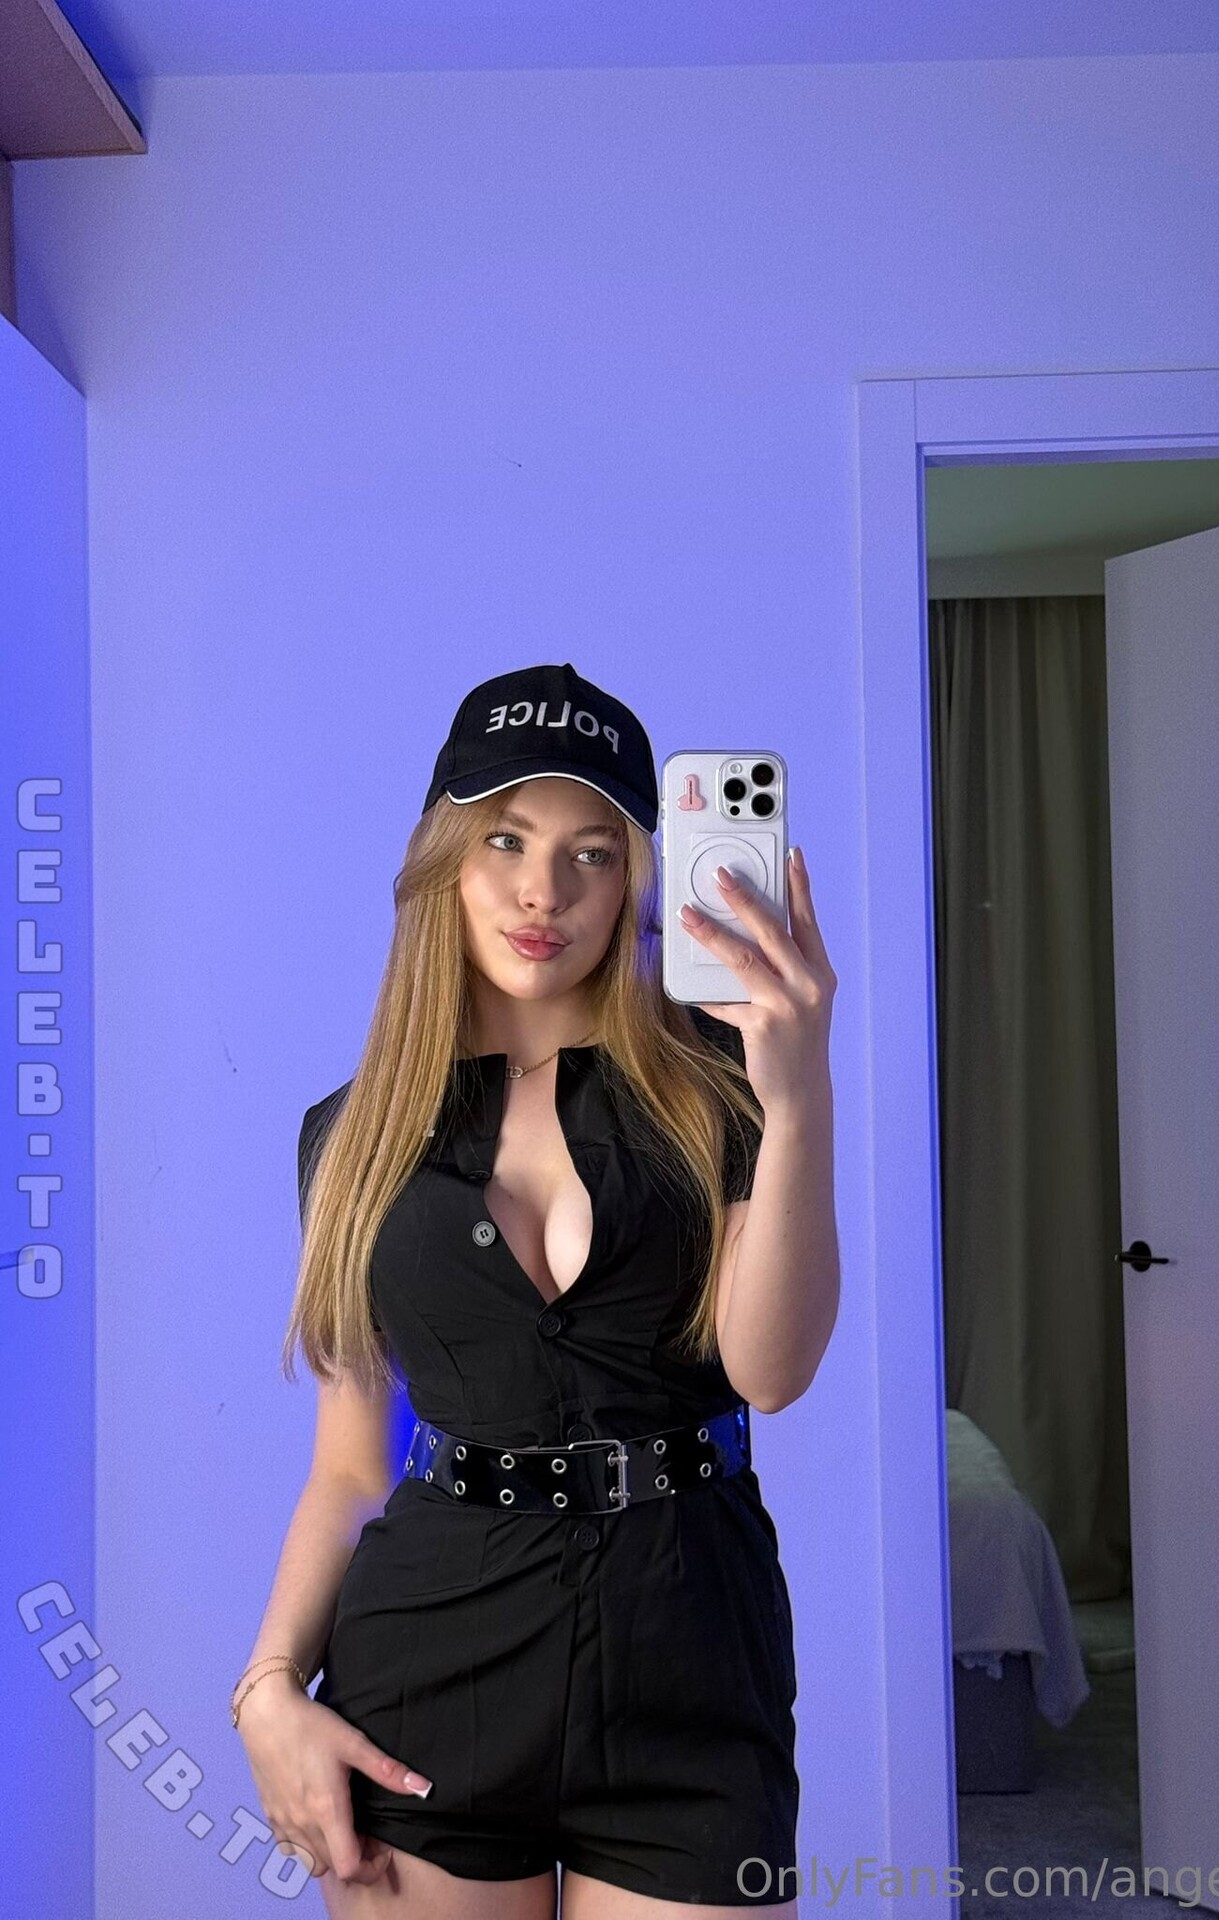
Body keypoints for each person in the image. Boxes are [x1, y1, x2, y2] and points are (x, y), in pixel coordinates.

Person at [232, 662, 840, 1919]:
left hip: (692, 1657)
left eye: (591, 854)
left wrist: (799, 1095)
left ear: (637, 881)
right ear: (443, 860)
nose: (542, 891)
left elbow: (771, 1373)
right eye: (505, 839)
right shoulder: (348, 1138)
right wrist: (269, 1687)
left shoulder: (723, 1089)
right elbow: (350, 1468)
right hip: (428, 1673)